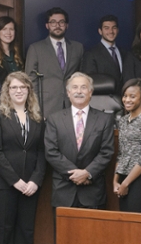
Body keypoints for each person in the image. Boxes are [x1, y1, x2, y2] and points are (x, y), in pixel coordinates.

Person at [0, 72, 45, 244]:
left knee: (26, 231)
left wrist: (35, 180)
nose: (18, 91)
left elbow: (41, 151)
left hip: (30, 186)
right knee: (4, 231)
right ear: (7, 91)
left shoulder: (37, 118)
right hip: (4, 184)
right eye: (14, 87)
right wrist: (15, 180)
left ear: (29, 90)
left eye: (22, 87)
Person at [45, 72, 114, 210]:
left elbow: (106, 152)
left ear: (90, 92)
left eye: (83, 87)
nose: (79, 91)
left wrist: (87, 173)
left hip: (92, 192)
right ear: (68, 92)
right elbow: (51, 151)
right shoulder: (54, 119)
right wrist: (76, 174)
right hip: (63, 191)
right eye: (75, 87)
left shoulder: (104, 119)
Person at [25, 7, 84, 119]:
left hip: (73, 104)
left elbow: (81, 76)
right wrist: (35, 107)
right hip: (46, 106)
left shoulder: (78, 47)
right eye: (53, 22)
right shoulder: (35, 48)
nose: (57, 25)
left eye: (61, 22)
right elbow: (30, 80)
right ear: (47, 25)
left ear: (67, 25)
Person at [114, 78, 141, 213]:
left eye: (132, 96)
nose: (127, 100)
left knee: (137, 226)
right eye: (125, 96)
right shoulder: (122, 121)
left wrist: (126, 183)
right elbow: (121, 154)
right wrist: (115, 181)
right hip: (123, 178)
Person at [82, 15, 128, 94]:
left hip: (125, 101)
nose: (111, 31)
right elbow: (88, 82)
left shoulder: (125, 53)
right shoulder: (91, 54)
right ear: (100, 31)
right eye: (106, 28)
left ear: (117, 30)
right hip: (103, 102)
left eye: (114, 28)